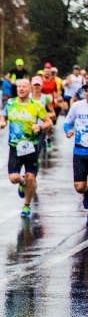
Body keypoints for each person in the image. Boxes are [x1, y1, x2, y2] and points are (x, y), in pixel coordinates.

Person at [0, 78, 52, 218]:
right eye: (19, 87)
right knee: (13, 178)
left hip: (31, 147)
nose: (21, 89)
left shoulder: (37, 105)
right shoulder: (11, 103)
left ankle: (27, 206)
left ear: (29, 89)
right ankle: (22, 183)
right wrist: (3, 123)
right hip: (15, 147)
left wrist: (40, 127)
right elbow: (3, 117)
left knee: (31, 177)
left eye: (24, 87)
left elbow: (48, 122)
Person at [63, 83, 88, 225]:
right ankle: (86, 193)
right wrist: (68, 131)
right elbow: (67, 123)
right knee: (79, 187)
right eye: (86, 91)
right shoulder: (77, 106)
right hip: (79, 151)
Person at [30, 76, 57, 150]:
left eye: (38, 85)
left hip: (41, 127)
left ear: (42, 86)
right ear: (31, 85)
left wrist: (43, 116)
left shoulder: (46, 98)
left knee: (37, 150)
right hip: (29, 127)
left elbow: (53, 113)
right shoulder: (27, 97)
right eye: (35, 85)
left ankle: (45, 141)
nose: (36, 87)